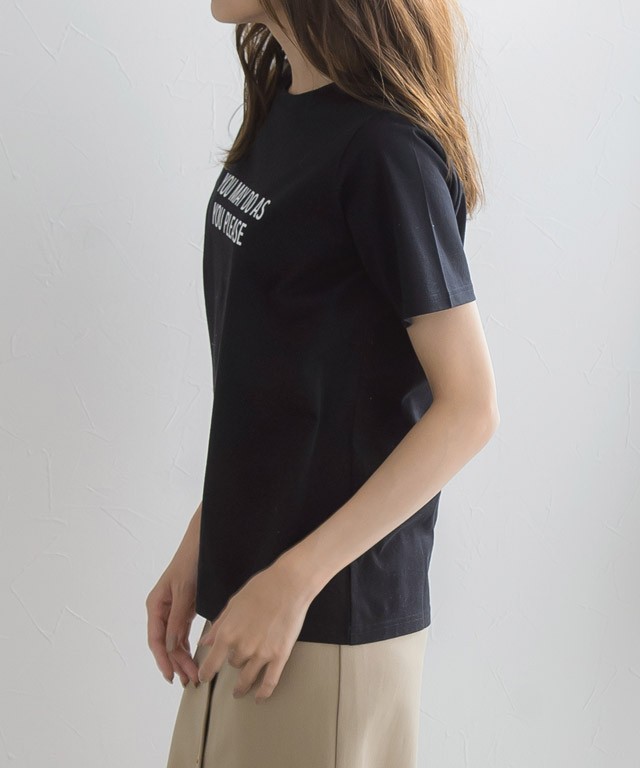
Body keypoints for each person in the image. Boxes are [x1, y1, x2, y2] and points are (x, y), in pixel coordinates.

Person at [147, 0, 499, 765]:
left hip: (324, 621)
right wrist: (205, 539)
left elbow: (469, 407)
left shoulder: (385, 150)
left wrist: (294, 580)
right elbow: (290, 378)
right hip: (254, 599)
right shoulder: (285, 107)